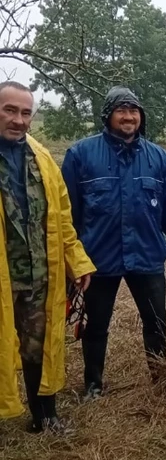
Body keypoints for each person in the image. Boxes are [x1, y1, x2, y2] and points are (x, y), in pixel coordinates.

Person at [62, 86, 166, 400]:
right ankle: (94, 384)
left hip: (147, 254)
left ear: (141, 117)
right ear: (108, 115)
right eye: (121, 110)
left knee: (156, 321)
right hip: (98, 256)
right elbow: (67, 211)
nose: (128, 117)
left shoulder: (158, 157)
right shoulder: (81, 154)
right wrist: (72, 257)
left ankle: (160, 378)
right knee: (96, 325)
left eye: (134, 111)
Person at [0, 81, 95, 433]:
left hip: (39, 275)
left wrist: (77, 261)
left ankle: (45, 415)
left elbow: (62, 219)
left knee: (39, 348)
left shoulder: (42, 159)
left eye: (26, 113)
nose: (19, 120)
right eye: (10, 110)